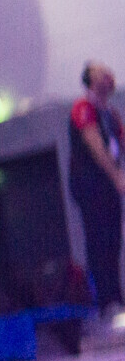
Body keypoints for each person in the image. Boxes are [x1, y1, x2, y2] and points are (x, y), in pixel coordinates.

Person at [69, 62, 125, 312]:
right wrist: (116, 176)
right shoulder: (83, 108)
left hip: (107, 186)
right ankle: (105, 300)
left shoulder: (110, 113)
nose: (108, 76)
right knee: (100, 241)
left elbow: (120, 142)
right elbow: (96, 146)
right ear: (91, 81)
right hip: (91, 184)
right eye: (102, 73)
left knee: (113, 241)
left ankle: (115, 298)